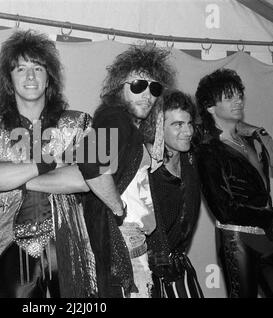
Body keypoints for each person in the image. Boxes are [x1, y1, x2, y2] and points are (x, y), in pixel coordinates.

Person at [0, 30, 97, 298]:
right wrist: (48, 165)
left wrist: (14, 176)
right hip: (11, 249)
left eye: (38, 68)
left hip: (68, 245)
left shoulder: (78, 122)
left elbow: (85, 180)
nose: (30, 77)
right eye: (21, 69)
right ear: (9, 78)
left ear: (49, 76)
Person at [77, 44, 175, 297]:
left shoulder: (132, 126)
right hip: (123, 244)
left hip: (134, 243)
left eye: (154, 88)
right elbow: (89, 161)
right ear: (118, 88)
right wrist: (118, 210)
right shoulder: (115, 117)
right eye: (138, 85)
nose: (147, 95)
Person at [194, 68, 273, 298]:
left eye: (239, 95)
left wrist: (260, 131)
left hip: (267, 237)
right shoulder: (207, 150)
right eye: (229, 97)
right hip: (237, 240)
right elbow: (224, 209)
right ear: (210, 107)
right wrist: (269, 217)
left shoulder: (250, 139)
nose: (238, 101)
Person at [142, 90, 203, 298]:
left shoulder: (191, 159)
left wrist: (259, 132)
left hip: (179, 267)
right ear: (157, 127)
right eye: (178, 125)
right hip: (145, 272)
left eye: (189, 123)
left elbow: (222, 126)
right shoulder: (142, 164)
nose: (187, 131)